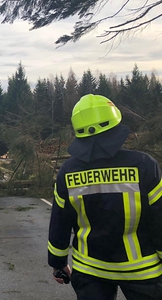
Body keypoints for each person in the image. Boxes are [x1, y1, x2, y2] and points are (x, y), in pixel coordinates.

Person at [48, 94, 162, 299]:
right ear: (115, 124)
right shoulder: (144, 165)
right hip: (142, 270)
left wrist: (58, 263)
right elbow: (159, 219)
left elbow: (60, 222)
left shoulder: (68, 171)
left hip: (90, 270)